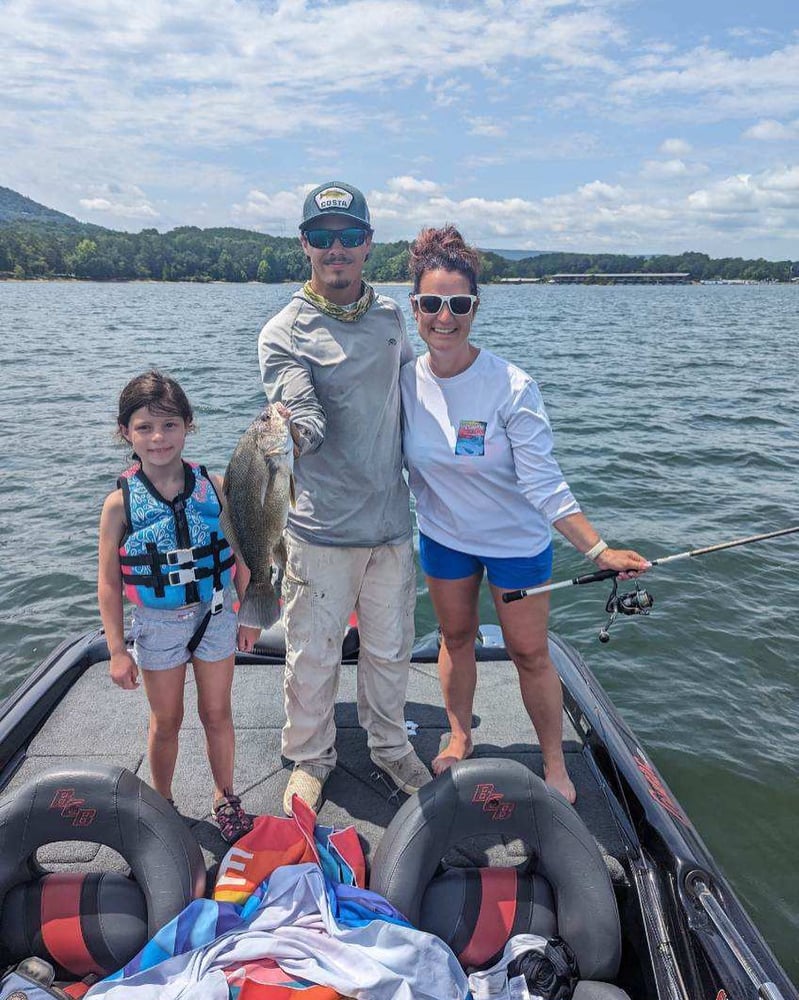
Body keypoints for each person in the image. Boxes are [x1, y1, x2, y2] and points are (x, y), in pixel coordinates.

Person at [400, 226, 650, 803]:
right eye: (432, 303)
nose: (445, 316)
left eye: (458, 304)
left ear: (475, 308)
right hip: (443, 539)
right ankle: (460, 735)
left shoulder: (512, 386)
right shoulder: (403, 382)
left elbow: (545, 483)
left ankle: (555, 763)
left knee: (529, 653)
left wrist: (599, 550)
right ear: (414, 308)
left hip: (516, 543)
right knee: (455, 637)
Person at [258, 181, 432, 816]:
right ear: (305, 244)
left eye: (350, 237)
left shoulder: (391, 316)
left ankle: (389, 744)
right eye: (324, 237)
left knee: (391, 647)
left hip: (391, 523)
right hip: (318, 528)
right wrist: (295, 429)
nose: (337, 250)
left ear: (368, 244)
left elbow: (418, 394)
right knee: (312, 652)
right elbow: (298, 409)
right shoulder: (283, 330)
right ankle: (309, 755)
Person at [97, 370, 261, 842]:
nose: (158, 437)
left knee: (217, 713)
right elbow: (109, 584)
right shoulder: (118, 504)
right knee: (166, 719)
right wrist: (116, 650)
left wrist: (246, 613)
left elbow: (243, 553)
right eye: (144, 426)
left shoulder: (217, 485)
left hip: (215, 616)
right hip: (157, 624)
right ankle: (162, 802)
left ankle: (225, 794)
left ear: (189, 425)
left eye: (170, 425)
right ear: (126, 432)